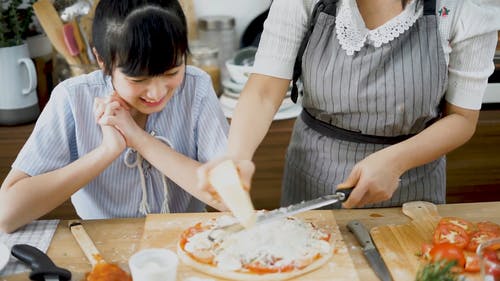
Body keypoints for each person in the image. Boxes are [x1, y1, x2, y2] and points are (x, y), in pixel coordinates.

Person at [198, 0, 500, 209]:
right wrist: (236, 156)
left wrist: (396, 161)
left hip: (412, 185)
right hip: (312, 178)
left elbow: (461, 118)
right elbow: (264, 89)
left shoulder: (464, 8)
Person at [0, 0, 229, 233]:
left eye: (172, 72)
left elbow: (229, 198)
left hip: (190, 243)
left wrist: (139, 139)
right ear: (102, 60)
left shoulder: (197, 87)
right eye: (138, 80)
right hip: (103, 250)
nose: (157, 92)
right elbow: (5, 215)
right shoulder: (72, 98)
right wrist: (107, 151)